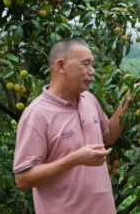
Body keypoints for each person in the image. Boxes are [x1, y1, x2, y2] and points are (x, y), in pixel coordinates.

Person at [13, 38, 132, 214]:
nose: (92, 72)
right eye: (85, 64)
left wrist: (128, 99)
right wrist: (75, 159)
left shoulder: (89, 99)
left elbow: (109, 136)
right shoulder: (37, 114)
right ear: (61, 66)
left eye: (92, 65)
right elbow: (23, 179)